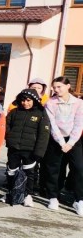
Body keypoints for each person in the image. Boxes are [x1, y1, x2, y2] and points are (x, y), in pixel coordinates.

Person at [43, 77, 83, 215]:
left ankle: (79, 200)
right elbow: (52, 124)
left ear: (68, 86)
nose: (56, 90)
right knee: (55, 168)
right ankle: (53, 197)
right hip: (56, 139)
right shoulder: (50, 103)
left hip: (74, 139)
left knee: (78, 167)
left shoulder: (78, 103)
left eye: (59, 87)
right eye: (54, 87)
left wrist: (70, 143)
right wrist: (61, 142)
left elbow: (79, 124)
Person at [4, 88, 51, 207]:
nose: (26, 103)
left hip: (30, 150)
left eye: (28, 100)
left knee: (29, 173)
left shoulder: (41, 114)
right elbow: (7, 126)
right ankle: (10, 192)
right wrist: (9, 139)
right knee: (11, 171)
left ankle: (27, 195)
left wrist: (39, 152)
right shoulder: (14, 112)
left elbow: (43, 135)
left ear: (34, 100)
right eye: (23, 100)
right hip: (14, 148)